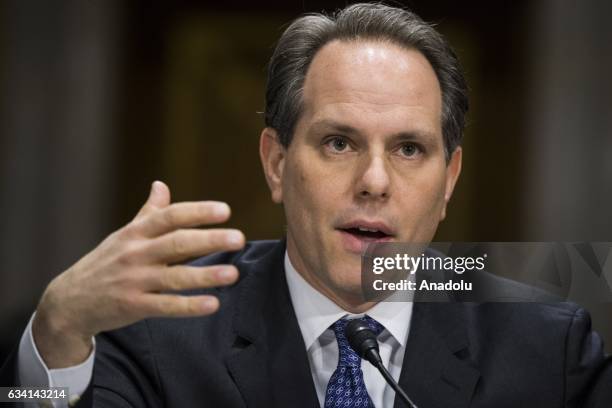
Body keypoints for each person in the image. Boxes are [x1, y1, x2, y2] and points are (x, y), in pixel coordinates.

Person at [1, 3, 610, 407]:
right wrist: (55, 332)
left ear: (449, 178)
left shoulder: (543, 344)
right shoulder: (160, 331)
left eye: (409, 148)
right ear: (276, 162)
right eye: (338, 142)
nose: (374, 181)